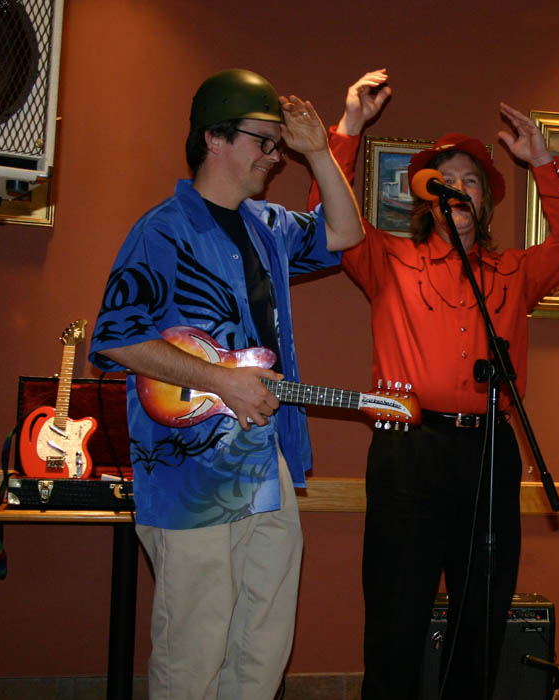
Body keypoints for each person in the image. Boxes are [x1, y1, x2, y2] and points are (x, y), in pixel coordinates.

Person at [307, 70, 559, 699]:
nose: (459, 190)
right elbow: (320, 225)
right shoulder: (385, 256)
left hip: (488, 450)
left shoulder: (514, 272)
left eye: (471, 182)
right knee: (395, 619)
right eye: (447, 181)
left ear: (485, 204)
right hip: (408, 450)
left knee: (481, 617)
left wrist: (543, 161)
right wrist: (349, 126)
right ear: (426, 198)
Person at [88, 68, 364, 700]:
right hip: (188, 477)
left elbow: (346, 234)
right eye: (263, 141)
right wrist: (223, 381)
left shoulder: (269, 225)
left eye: (278, 143)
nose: (274, 155)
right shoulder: (162, 230)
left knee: (263, 643)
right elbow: (117, 337)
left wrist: (319, 149)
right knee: (195, 650)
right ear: (214, 139)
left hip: (269, 465)